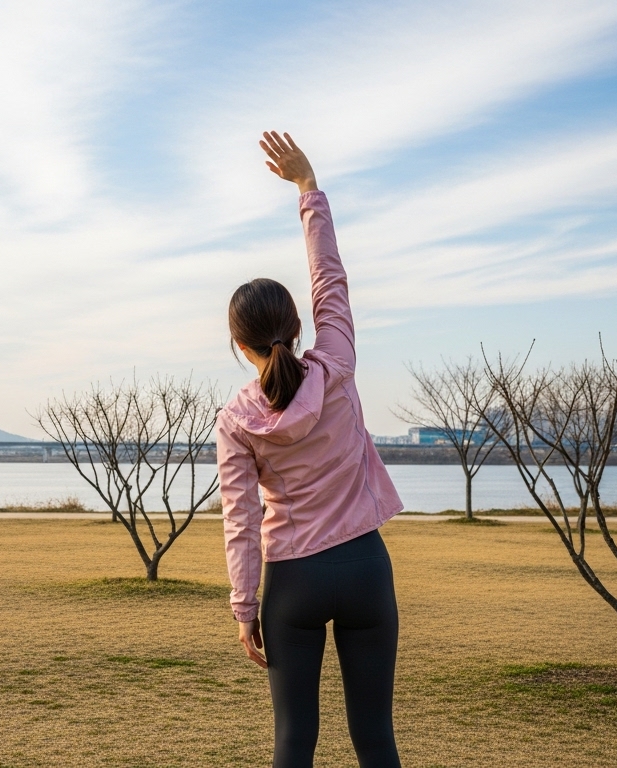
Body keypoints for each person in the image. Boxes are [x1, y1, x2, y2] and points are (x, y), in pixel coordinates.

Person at [217, 131, 404, 768]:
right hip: (365, 568)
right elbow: (330, 279)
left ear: (239, 345)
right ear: (299, 328)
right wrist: (307, 188)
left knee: (293, 743)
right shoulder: (337, 365)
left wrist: (245, 607)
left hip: (292, 581)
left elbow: (241, 520)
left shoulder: (236, 421)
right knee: (375, 740)